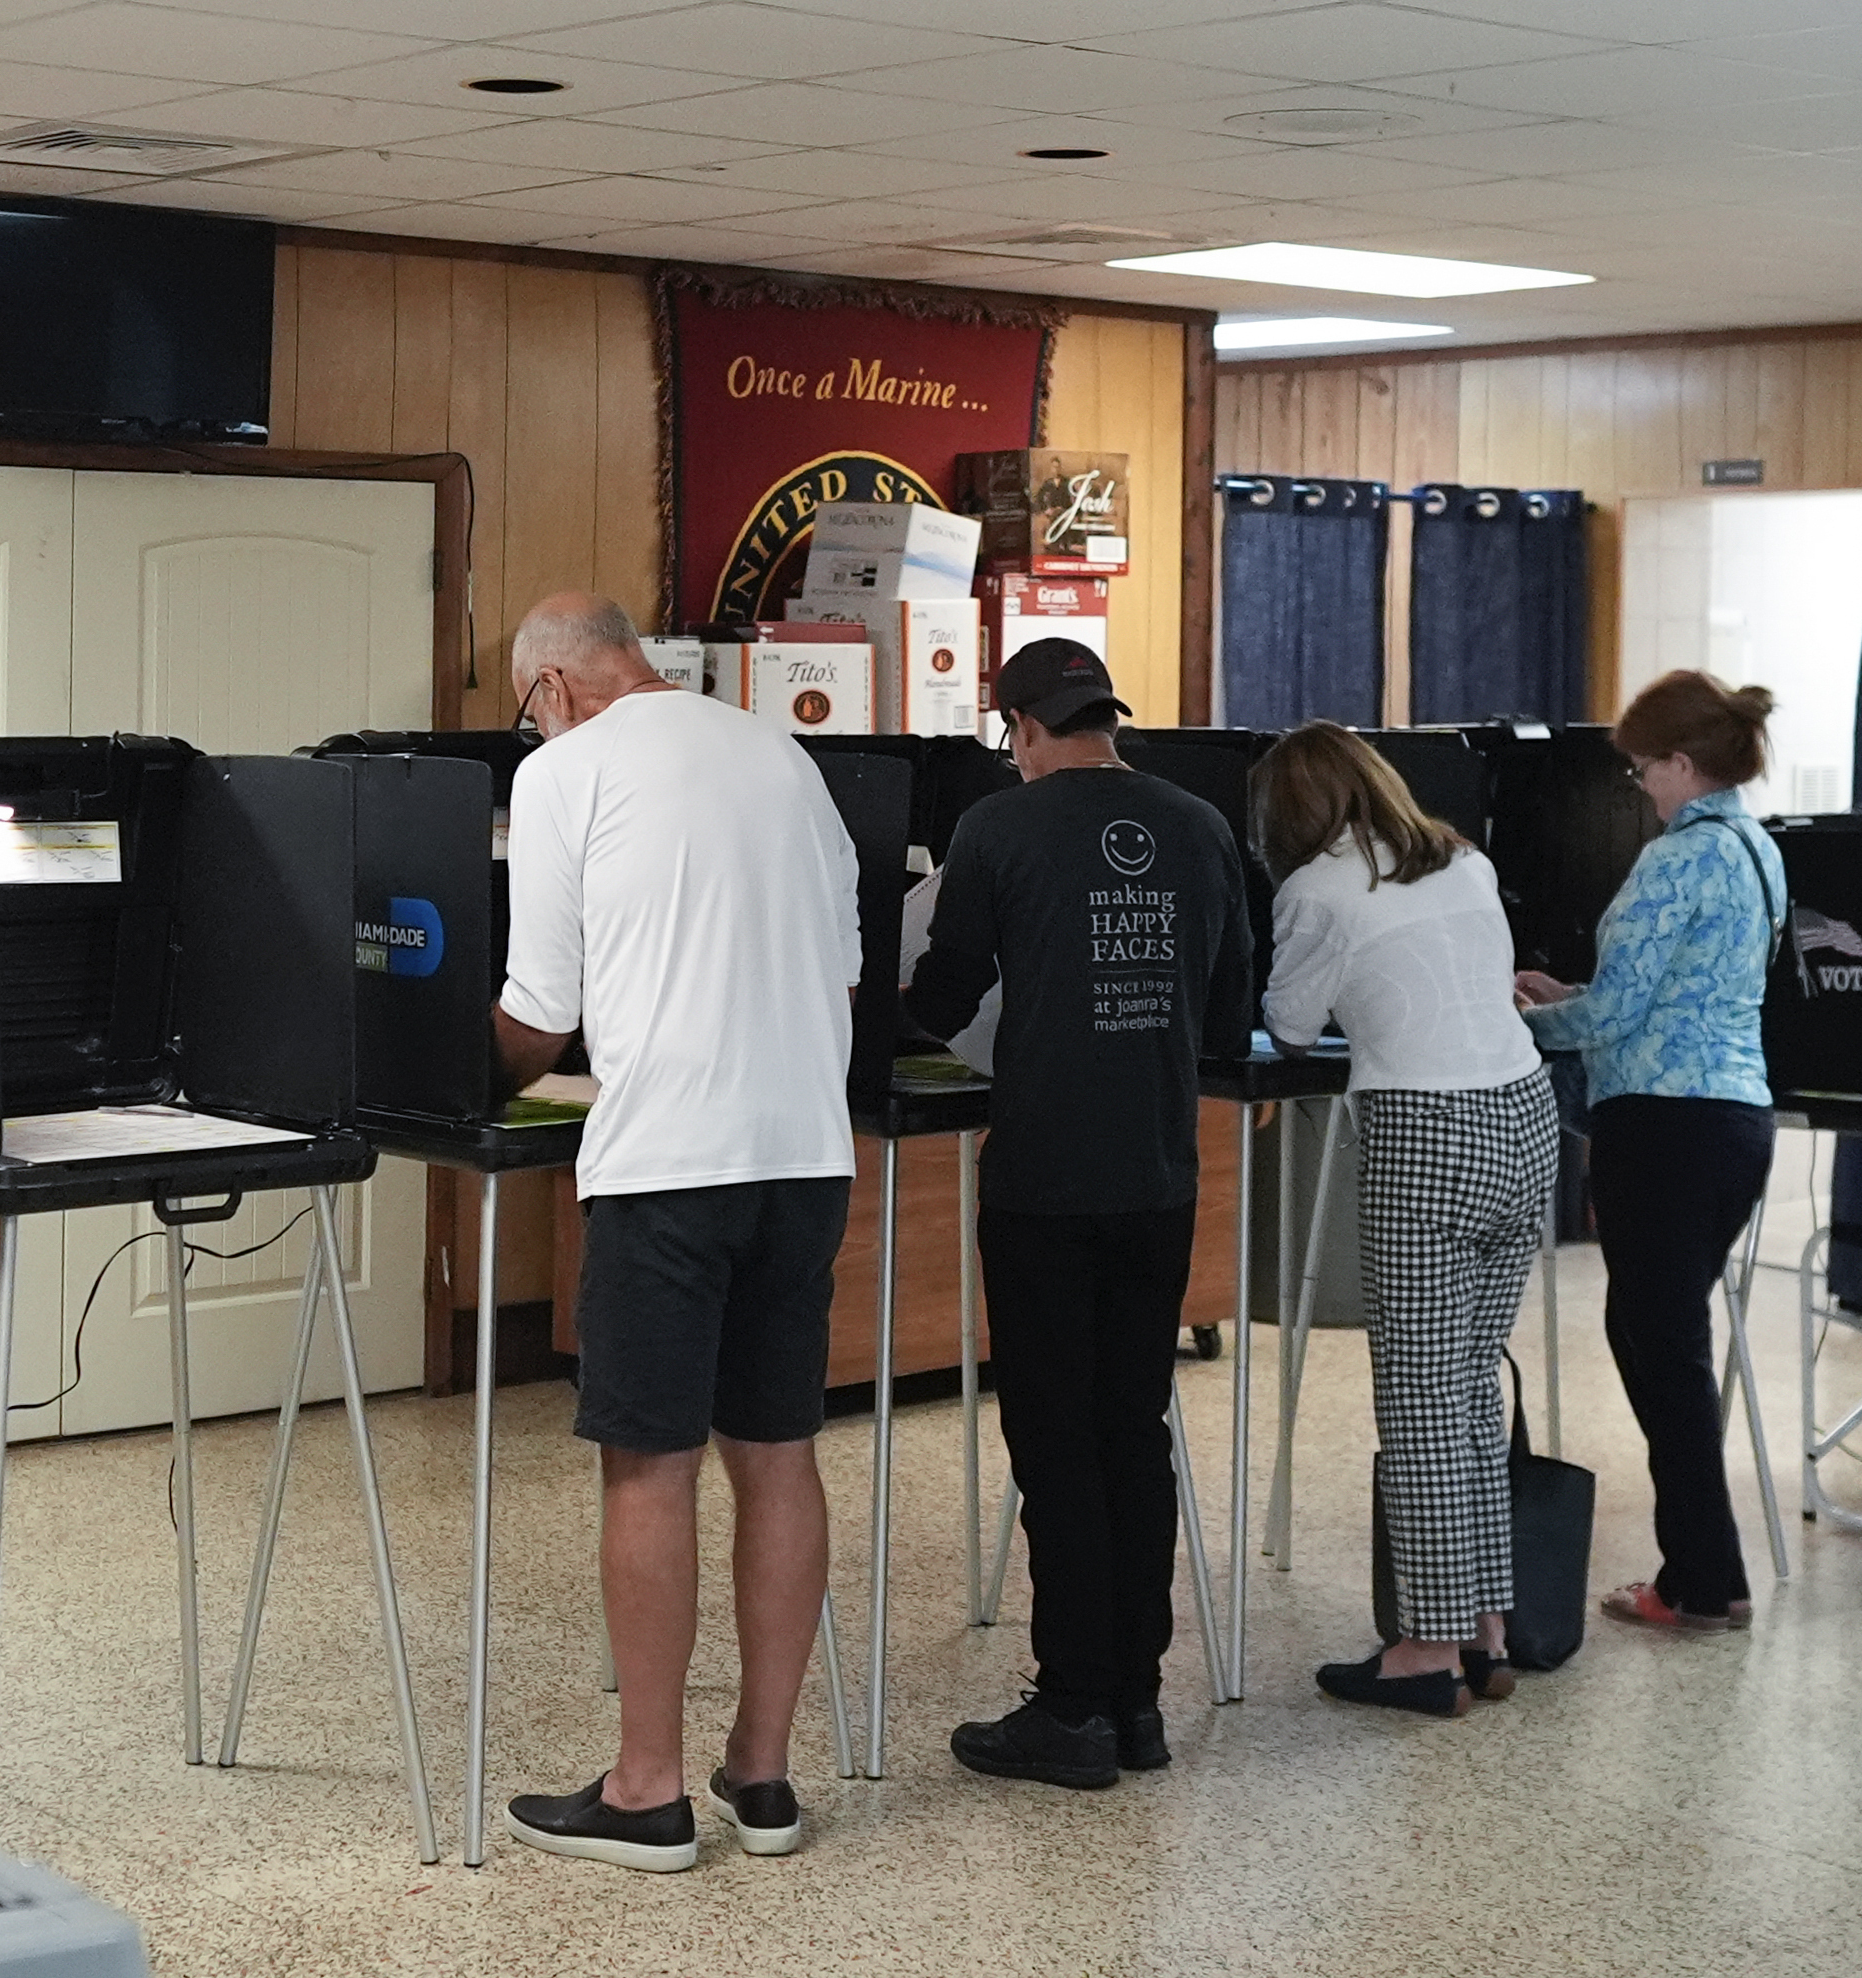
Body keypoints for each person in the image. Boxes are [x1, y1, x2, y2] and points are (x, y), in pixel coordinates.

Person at [493, 594, 860, 1872]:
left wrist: (442, 1057)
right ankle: (761, 1776)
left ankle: (645, 1788)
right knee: (776, 1451)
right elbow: (846, 965)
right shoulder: (781, 751)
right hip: (806, 1152)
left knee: (647, 1463)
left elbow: (537, 1015)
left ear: (549, 686)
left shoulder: (563, 772)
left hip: (665, 1166)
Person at [904, 637, 1251, 1790]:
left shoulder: (997, 829)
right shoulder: (1199, 825)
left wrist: (860, 1025)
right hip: (1158, 1176)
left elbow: (947, 994)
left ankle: (1070, 1709)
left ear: (1018, 727)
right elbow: (1225, 1014)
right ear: (1107, 714)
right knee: (1131, 1432)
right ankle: (1137, 1703)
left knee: (1055, 1442)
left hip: (1044, 1177)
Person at [1253, 723, 1557, 1717]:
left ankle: (1424, 1650)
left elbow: (1291, 1026)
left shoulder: (1315, 889)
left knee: (1420, 1399)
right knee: (1471, 1383)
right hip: (1526, 1115)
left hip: (1428, 1128)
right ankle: (1485, 1625)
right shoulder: (1462, 856)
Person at [1517, 671, 1784, 1633]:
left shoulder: (1677, 862)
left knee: (1661, 1353)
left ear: (1680, 762)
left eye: (1642, 771)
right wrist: (1570, 997)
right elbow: (1675, 994)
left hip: (1665, 1126)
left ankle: (1703, 1583)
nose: (1640, 788)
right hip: (1734, 1118)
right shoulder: (1756, 850)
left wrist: (1526, 1017)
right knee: (1660, 1344)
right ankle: (1709, 1571)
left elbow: (1622, 1013)